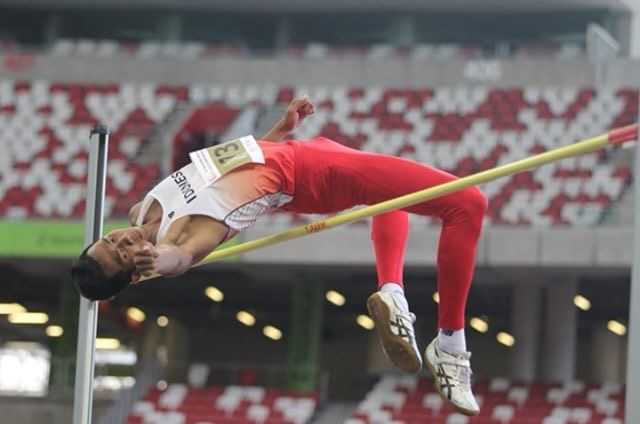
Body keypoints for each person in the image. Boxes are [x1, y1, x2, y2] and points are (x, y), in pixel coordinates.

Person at [71, 97, 486, 416]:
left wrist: (277, 132)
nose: (122, 242)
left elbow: (225, 165)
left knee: (392, 199)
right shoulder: (184, 236)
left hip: (301, 154)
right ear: (136, 272)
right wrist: (158, 261)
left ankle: (393, 292)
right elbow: (180, 257)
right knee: (468, 203)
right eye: (122, 255)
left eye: (111, 240)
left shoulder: (140, 209)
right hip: (316, 174)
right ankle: (450, 344)